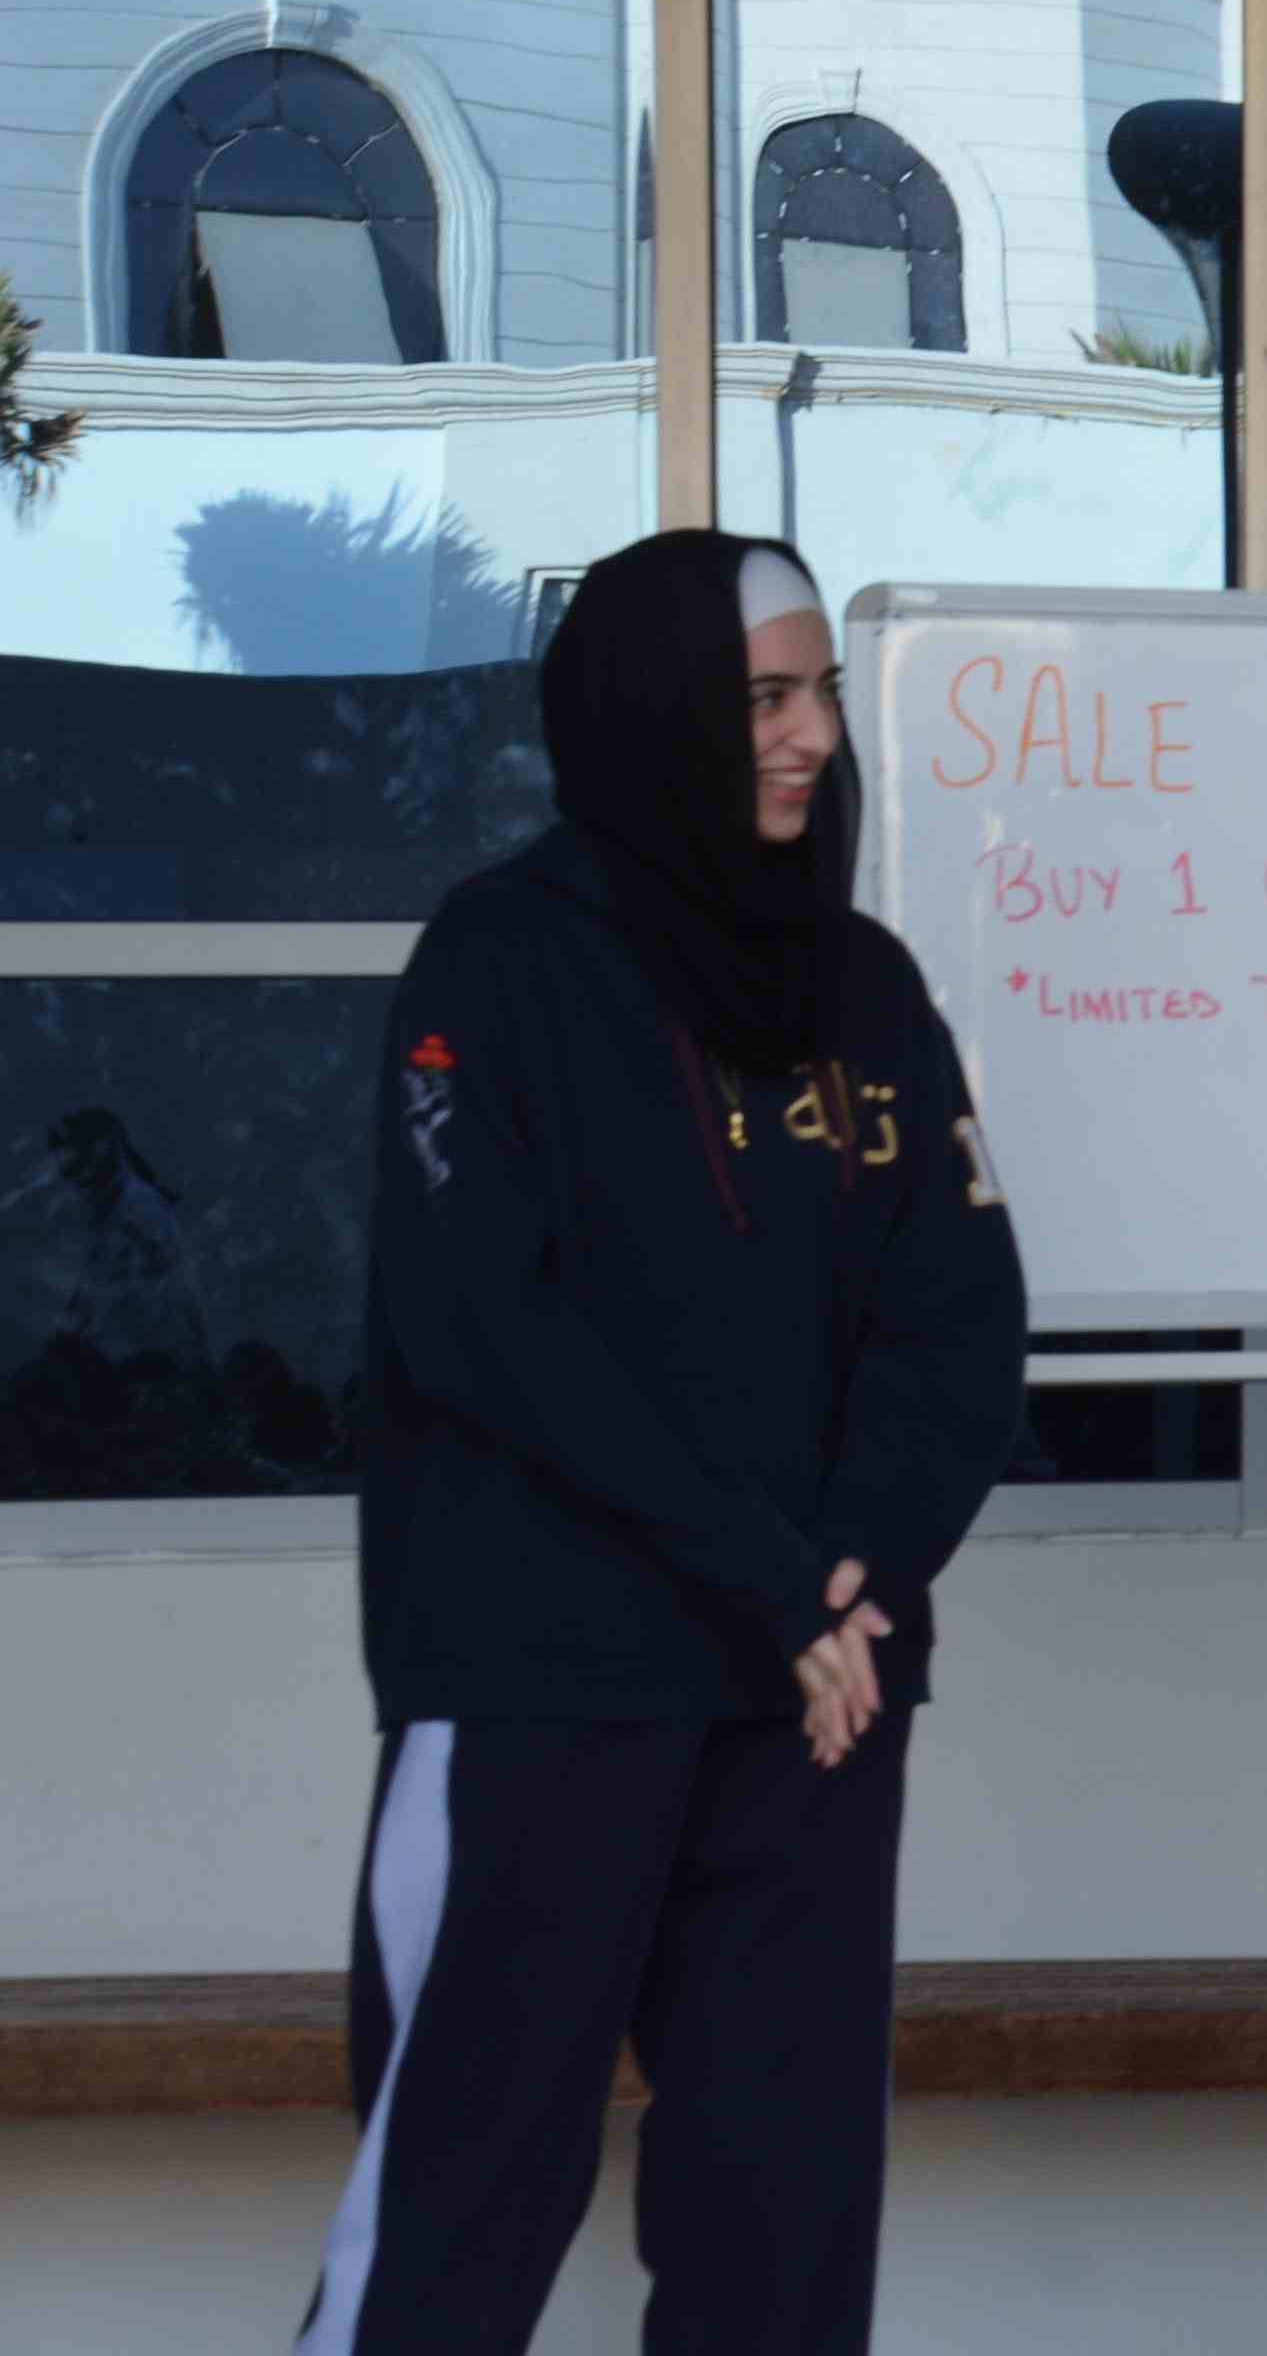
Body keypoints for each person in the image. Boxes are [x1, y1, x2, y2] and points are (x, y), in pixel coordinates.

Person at [298, 532, 1028, 2356]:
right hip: (546, 1689)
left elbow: (957, 1320)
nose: (811, 737)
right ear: (654, 710)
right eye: (763, 697)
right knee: (454, 2225)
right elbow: (492, 1332)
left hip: (816, 1702)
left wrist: (857, 1570)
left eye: (821, 695)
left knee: (782, 2241)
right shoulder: (501, 963)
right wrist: (777, 1578)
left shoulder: (866, 986)